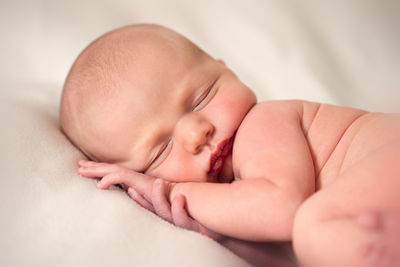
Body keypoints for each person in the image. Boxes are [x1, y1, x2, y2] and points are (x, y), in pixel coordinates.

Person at [60, 24, 400, 267]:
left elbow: (282, 210)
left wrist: (171, 189)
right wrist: (223, 237)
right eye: (161, 149)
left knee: (315, 227)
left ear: (227, 70)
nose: (197, 134)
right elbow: (290, 253)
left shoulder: (262, 122)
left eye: (202, 97)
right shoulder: (246, 190)